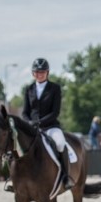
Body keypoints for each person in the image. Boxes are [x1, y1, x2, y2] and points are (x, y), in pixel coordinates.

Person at [21, 58, 74, 190]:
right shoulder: (29, 89)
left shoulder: (54, 88)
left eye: (43, 72)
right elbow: (24, 112)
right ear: (33, 73)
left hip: (50, 127)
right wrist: (29, 123)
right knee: (17, 145)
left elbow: (55, 112)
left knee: (61, 144)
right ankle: (16, 178)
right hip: (32, 129)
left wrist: (39, 122)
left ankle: (65, 177)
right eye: (37, 72)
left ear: (47, 73)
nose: (40, 74)